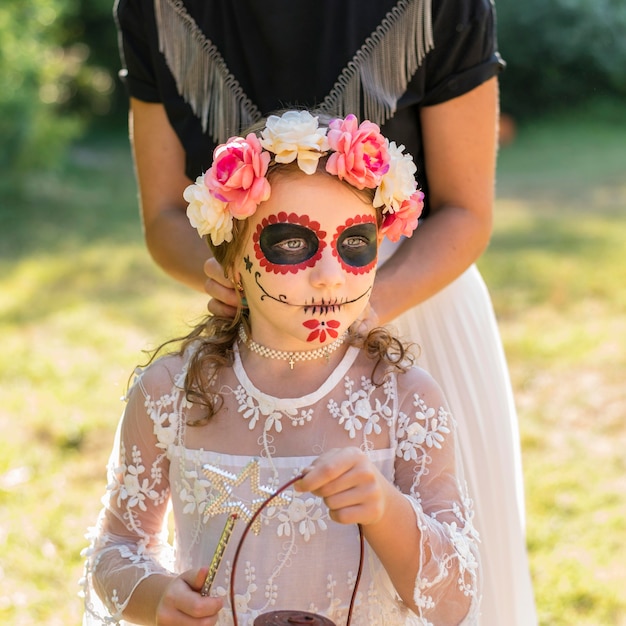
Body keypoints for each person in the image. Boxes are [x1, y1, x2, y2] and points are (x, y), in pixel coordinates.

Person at [114, 1, 537, 623]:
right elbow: (164, 218)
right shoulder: (155, 8)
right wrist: (236, 278)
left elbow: (465, 210)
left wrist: (355, 302)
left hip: (412, 300)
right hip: (261, 312)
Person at [82, 110, 481, 625]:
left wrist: (386, 511)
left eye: (355, 245)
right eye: (293, 244)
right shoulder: (172, 393)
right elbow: (115, 548)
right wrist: (156, 596)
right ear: (232, 262)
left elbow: (453, 600)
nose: (330, 277)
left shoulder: (405, 399)